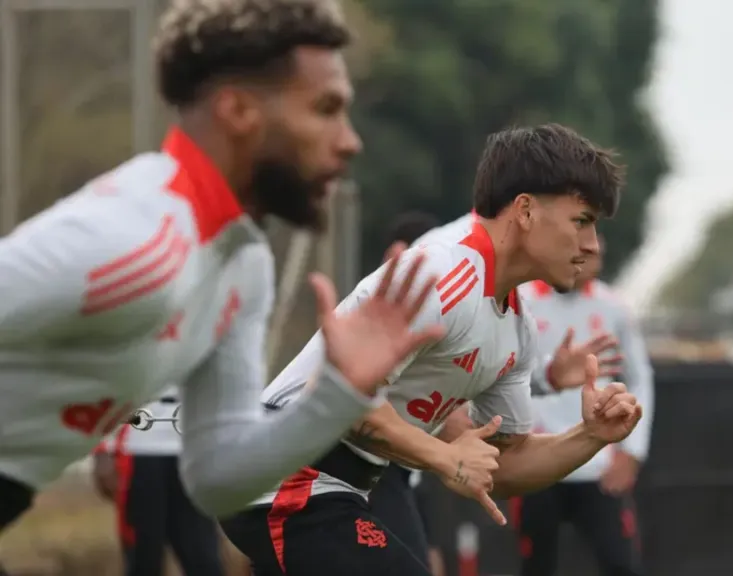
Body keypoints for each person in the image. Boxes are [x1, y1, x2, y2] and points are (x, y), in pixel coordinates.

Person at [0, 0, 441, 545]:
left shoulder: (242, 264)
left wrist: (339, 393)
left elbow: (218, 480)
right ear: (237, 110)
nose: (350, 140)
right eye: (326, 109)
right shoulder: (132, 238)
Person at [220, 123, 643, 575]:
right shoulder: (439, 275)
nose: (591, 245)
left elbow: (504, 465)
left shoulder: (517, 329)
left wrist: (591, 436)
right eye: (582, 221)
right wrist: (445, 457)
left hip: (333, 485)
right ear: (524, 211)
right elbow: (344, 398)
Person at [514, 239, 654, 576]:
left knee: (620, 563)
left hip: (598, 463)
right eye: (587, 252)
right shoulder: (522, 302)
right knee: (536, 565)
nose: (595, 260)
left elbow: (640, 378)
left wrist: (632, 452)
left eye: (598, 253)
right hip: (538, 460)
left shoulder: (614, 307)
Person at [370, 211, 444, 571]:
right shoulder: (364, 316)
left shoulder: (448, 321)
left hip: (405, 468)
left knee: (424, 553)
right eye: (391, 264)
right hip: (361, 467)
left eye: (406, 264)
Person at [93, 387, 224, 576]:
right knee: (143, 556)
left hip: (193, 448)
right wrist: (102, 448)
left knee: (204, 556)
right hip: (139, 447)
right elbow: (105, 380)